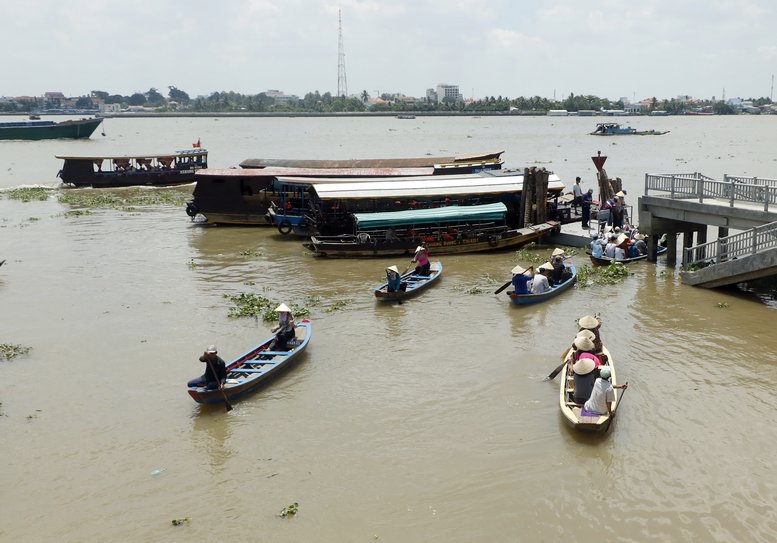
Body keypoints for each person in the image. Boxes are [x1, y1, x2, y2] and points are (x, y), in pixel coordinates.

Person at [570, 336, 598, 405]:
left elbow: (574, 386)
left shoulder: (576, 375)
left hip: (576, 399)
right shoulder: (591, 376)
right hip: (589, 399)